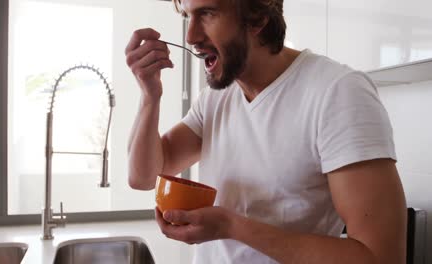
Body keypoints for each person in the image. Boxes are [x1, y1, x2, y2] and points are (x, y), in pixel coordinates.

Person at [125, 0, 407, 263]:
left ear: (257, 17)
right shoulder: (215, 100)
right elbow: (143, 177)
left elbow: (381, 256)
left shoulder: (338, 92)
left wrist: (230, 226)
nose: (191, 36)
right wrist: (150, 96)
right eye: (188, 15)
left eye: (208, 14)